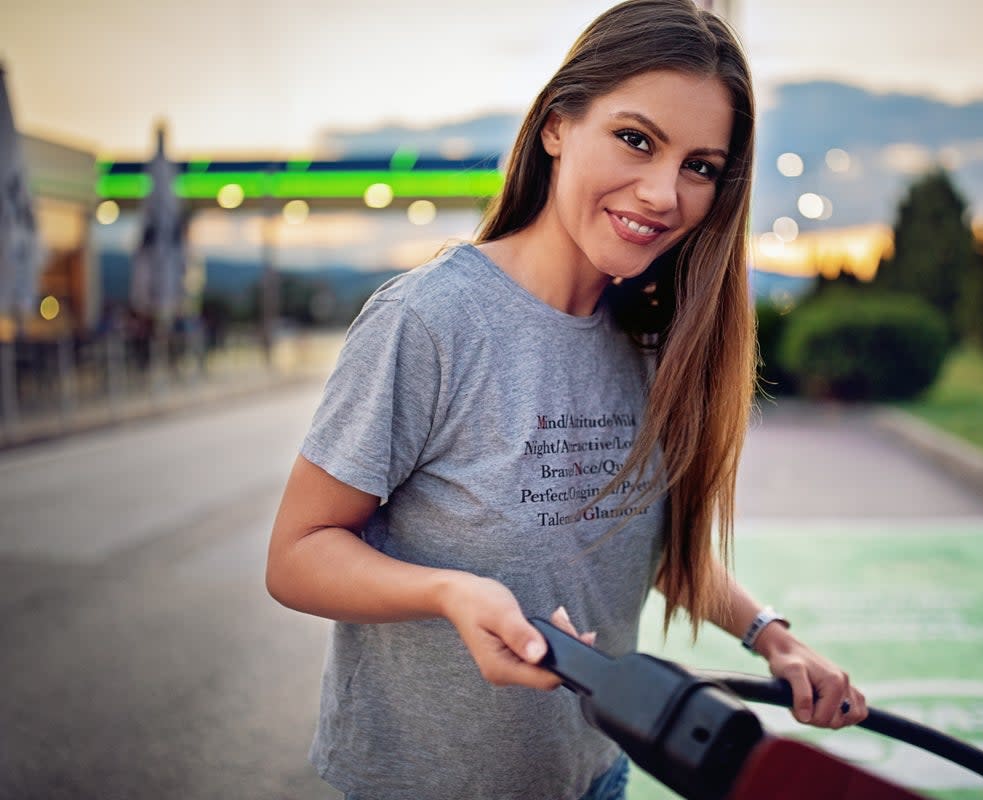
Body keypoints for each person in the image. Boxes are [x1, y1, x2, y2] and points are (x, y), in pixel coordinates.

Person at [265, 1, 867, 797]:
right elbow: (297, 555)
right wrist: (449, 591)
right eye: (636, 139)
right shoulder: (431, 320)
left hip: (594, 772)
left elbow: (636, 545)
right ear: (557, 126)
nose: (662, 193)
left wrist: (770, 637)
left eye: (700, 166)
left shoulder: (655, 338)